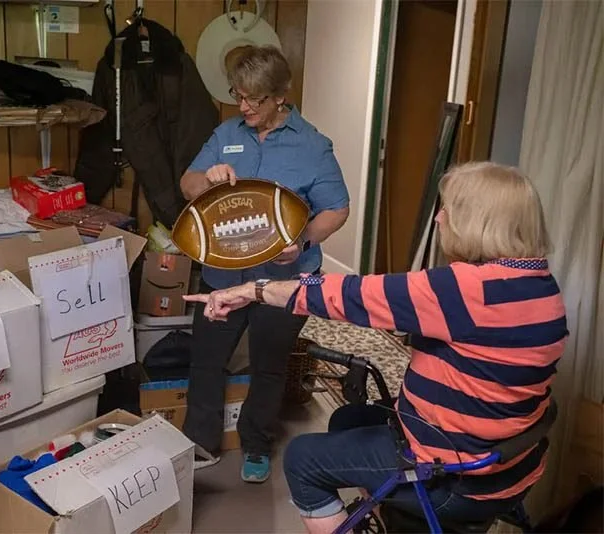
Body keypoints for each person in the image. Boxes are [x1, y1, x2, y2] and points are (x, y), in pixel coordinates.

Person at [184, 162, 567, 533]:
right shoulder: (541, 285)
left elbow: (349, 294)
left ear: (478, 222)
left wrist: (253, 290)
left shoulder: (462, 290)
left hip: (458, 478)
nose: (438, 219)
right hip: (510, 465)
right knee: (348, 420)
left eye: (448, 210)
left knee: (302, 459)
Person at [179, 45, 350, 483]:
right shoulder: (226, 134)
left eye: (255, 99)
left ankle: (256, 444)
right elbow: (188, 183)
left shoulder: (312, 146)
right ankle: (200, 442)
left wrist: (304, 239)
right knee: (206, 359)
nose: (244, 107)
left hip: (283, 279)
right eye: (238, 96)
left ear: (280, 96)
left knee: (268, 365)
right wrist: (206, 180)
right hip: (224, 275)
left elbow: (337, 208)